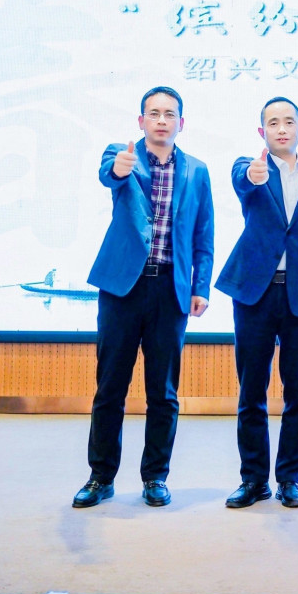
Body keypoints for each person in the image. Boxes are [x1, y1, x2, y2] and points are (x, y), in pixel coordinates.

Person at [74, 86, 214, 509]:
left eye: (169, 114)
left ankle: (155, 476)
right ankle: (100, 477)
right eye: (154, 113)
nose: (161, 120)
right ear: (141, 121)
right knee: (110, 387)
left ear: (181, 123)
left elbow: (203, 234)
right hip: (123, 288)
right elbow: (109, 174)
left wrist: (200, 287)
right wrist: (118, 169)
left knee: (163, 392)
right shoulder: (122, 154)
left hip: (170, 289)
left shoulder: (197, 171)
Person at [214, 97, 298, 509]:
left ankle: (289, 479)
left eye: (288, 122)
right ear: (262, 131)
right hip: (255, 293)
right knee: (252, 389)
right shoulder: (250, 168)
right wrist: (252, 174)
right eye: (272, 123)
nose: (281, 129)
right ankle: (253, 480)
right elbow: (242, 180)